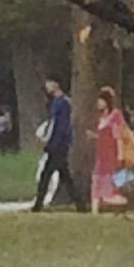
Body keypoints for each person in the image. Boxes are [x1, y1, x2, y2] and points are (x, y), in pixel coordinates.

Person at [33, 77, 84, 212]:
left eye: (48, 84)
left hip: (58, 145)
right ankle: (80, 204)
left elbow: (61, 126)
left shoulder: (63, 103)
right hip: (57, 145)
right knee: (65, 177)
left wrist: (54, 142)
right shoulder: (57, 102)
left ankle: (38, 204)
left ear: (56, 84)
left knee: (48, 175)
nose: (47, 87)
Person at [91, 86, 134, 212]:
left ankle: (124, 203)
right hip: (101, 155)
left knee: (108, 183)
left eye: (101, 100)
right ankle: (95, 210)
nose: (98, 103)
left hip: (110, 155)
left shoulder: (115, 116)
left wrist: (120, 155)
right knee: (96, 181)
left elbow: (118, 137)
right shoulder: (101, 118)